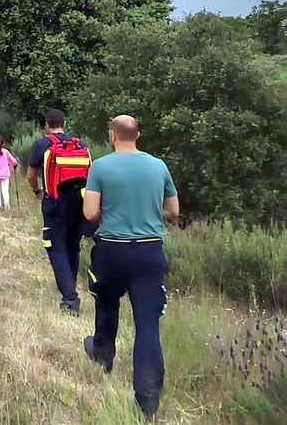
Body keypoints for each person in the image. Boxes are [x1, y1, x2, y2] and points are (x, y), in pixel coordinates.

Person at [81, 114, 179, 422]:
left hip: (111, 251)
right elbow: (173, 211)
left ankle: (103, 354)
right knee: (147, 325)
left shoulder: (100, 167)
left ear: (113, 135)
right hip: (150, 252)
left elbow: (91, 212)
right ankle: (148, 399)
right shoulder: (158, 166)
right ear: (137, 135)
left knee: (107, 301)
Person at [26, 108, 90, 316]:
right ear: (65, 123)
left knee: (55, 246)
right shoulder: (80, 145)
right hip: (79, 203)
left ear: (46, 124)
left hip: (55, 202)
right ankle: (69, 286)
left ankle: (70, 297)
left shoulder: (42, 144)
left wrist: (38, 191)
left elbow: (30, 175)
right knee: (73, 245)